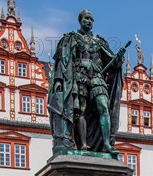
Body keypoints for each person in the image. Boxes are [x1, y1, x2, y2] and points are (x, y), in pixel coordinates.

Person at [48, 9, 127, 156]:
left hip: (97, 77)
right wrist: (59, 81)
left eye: (91, 19)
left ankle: (106, 144)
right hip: (79, 77)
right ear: (80, 20)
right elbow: (63, 62)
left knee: (104, 108)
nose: (89, 21)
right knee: (80, 111)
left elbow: (113, 64)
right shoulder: (72, 39)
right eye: (86, 18)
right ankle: (83, 145)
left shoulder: (100, 42)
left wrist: (118, 59)